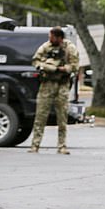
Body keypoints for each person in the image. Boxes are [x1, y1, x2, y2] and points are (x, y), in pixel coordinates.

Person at [29, 26, 79, 154]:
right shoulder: (46, 47)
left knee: (62, 116)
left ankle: (61, 146)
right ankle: (35, 145)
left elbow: (75, 66)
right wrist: (47, 66)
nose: (49, 39)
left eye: (51, 37)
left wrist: (64, 69)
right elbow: (35, 61)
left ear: (59, 38)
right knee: (40, 115)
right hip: (47, 84)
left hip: (62, 84)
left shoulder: (69, 48)